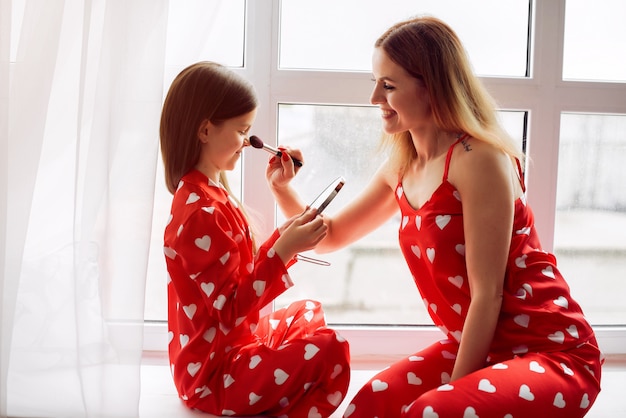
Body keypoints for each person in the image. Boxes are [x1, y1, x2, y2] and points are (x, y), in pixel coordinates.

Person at [267, 16, 602, 418]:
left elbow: (487, 295)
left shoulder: (479, 160)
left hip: (553, 352)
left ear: (432, 87)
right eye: (375, 82)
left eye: (388, 86)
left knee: (434, 411)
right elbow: (332, 235)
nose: (374, 98)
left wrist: (455, 393)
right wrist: (283, 189)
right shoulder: (403, 165)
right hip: (483, 345)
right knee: (368, 404)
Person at [160, 61, 350, 418]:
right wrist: (283, 249)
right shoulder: (199, 212)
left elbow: (239, 276)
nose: (248, 142)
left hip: (231, 349)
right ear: (205, 130)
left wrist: (285, 237)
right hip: (212, 377)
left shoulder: (210, 192)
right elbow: (230, 310)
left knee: (307, 314)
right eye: (242, 130)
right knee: (331, 350)